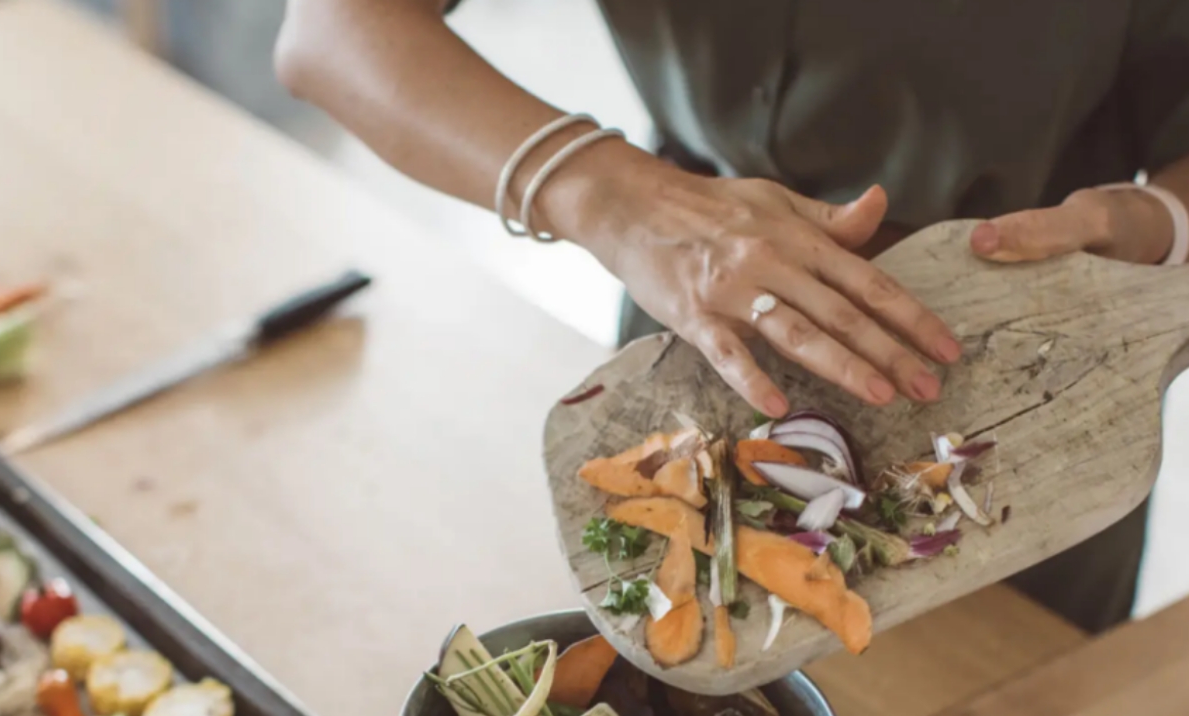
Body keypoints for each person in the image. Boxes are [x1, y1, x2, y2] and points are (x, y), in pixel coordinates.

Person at [273, 0, 1189, 633]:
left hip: (1030, 390)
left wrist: (1163, 227)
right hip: (693, 329)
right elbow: (333, 29)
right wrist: (615, 198)